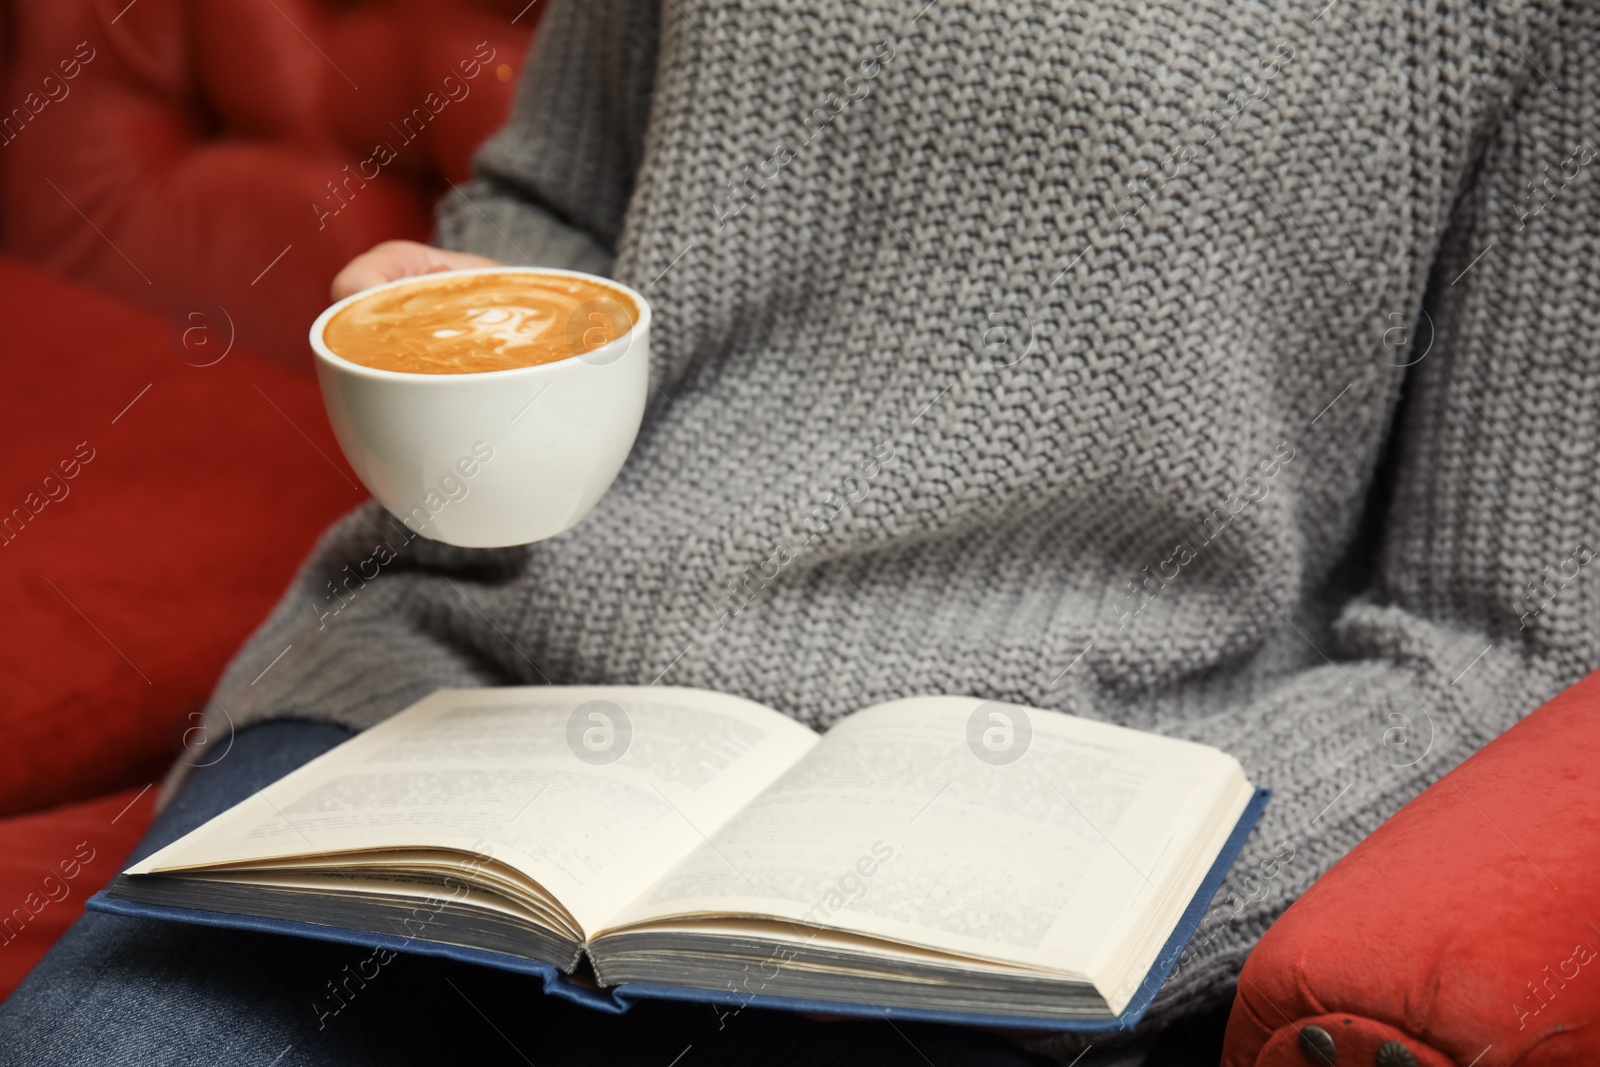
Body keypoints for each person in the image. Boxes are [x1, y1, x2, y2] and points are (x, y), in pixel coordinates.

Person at [4, 0, 1599, 1063]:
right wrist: (461, 303)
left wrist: (1143, 890)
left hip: (1011, 815)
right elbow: (552, 206)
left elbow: (1501, 628)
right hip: (468, 682)